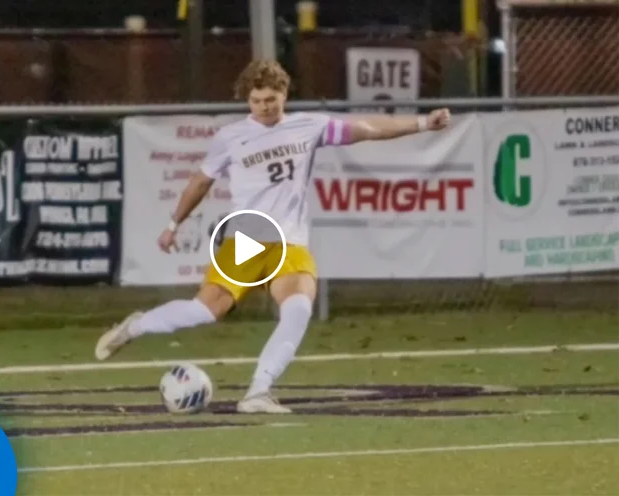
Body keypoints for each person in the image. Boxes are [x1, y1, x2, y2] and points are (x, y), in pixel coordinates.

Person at [95, 60, 451, 413]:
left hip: (290, 243)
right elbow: (201, 181)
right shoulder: (231, 137)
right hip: (247, 240)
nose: (264, 107)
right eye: (256, 101)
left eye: (271, 99)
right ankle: (136, 326)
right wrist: (174, 225)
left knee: (297, 310)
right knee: (204, 311)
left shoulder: (309, 126)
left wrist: (421, 123)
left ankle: (258, 392)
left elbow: (368, 128)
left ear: (284, 93)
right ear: (247, 101)